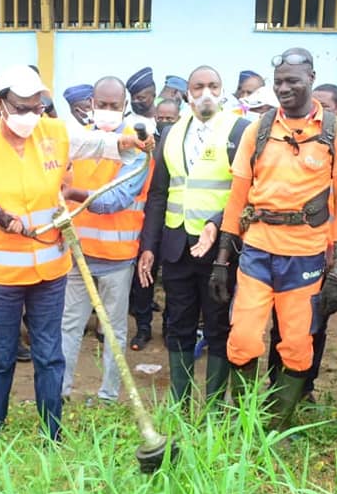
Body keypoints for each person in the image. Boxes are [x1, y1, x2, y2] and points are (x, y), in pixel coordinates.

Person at [0, 64, 150, 441]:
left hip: (50, 270)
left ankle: (53, 432)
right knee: (0, 354)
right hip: (2, 276)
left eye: (37, 106)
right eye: (22, 107)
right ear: (1, 105)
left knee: (49, 354)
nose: (32, 115)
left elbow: (98, 143)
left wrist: (130, 142)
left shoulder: (55, 132)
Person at [214, 48, 337, 430]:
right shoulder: (258, 129)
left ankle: (277, 427)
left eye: (293, 80)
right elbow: (237, 198)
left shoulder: (336, 133)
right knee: (243, 338)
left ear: (311, 78)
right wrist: (221, 261)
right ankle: (245, 421)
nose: (284, 88)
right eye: (278, 81)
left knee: (296, 346)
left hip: (306, 257)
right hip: (258, 251)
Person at [139, 65, 249, 409]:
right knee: (178, 322)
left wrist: (219, 227)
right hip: (176, 246)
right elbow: (158, 195)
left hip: (220, 249)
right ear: (186, 93)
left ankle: (215, 405)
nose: (206, 93)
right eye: (198, 86)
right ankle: (180, 403)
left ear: (223, 91)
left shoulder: (240, 131)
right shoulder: (171, 133)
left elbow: (243, 192)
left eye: (213, 86)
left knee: (217, 324)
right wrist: (148, 247)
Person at [61, 76, 151, 405]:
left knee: (113, 331)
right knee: (69, 326)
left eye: (115, 106)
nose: (107, 111)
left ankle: (108, 396)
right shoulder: (80, 142)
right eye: (102, 105)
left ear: (125, 106)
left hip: (117, 257)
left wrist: (71, 193)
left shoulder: (137, 145)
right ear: (91, 105)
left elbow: (116, 199)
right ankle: (60, 391)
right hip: (78, 253)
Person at [129, 97, 181, 352]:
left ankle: (170, 327)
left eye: (169, 119)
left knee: (173, 280)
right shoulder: (147, 143)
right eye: (160, 118)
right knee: (144, 279)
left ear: (178, 118)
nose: (164, 123)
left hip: (174, 222)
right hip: (147, 220)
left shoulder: (183, 145)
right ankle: (143, 328)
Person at [126, 67, 157, 135]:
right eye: (132, 98)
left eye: (140, 98)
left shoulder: (165, 117)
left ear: (153, 95)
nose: (135, 101)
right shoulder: (127, 123)